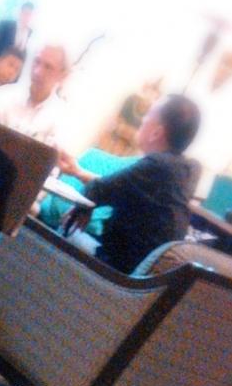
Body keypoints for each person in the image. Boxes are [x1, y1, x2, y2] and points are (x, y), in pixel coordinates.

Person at [61, 95, 202, 274]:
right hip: (144, 277)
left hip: (117, 272)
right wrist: (79, 173)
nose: (142, 120)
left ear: (156, 133)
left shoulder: (156, 165)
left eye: (148, 115)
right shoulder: (186, 169)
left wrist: (84, 207)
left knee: (64, 228)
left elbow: (96, 190)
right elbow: (117, 186)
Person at [0, 44, 69, 146]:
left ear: (62, 76)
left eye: (48, 67)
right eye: (36, 61)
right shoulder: (1, 95)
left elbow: (54, 153)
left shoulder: (63, 117)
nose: (37, 72)